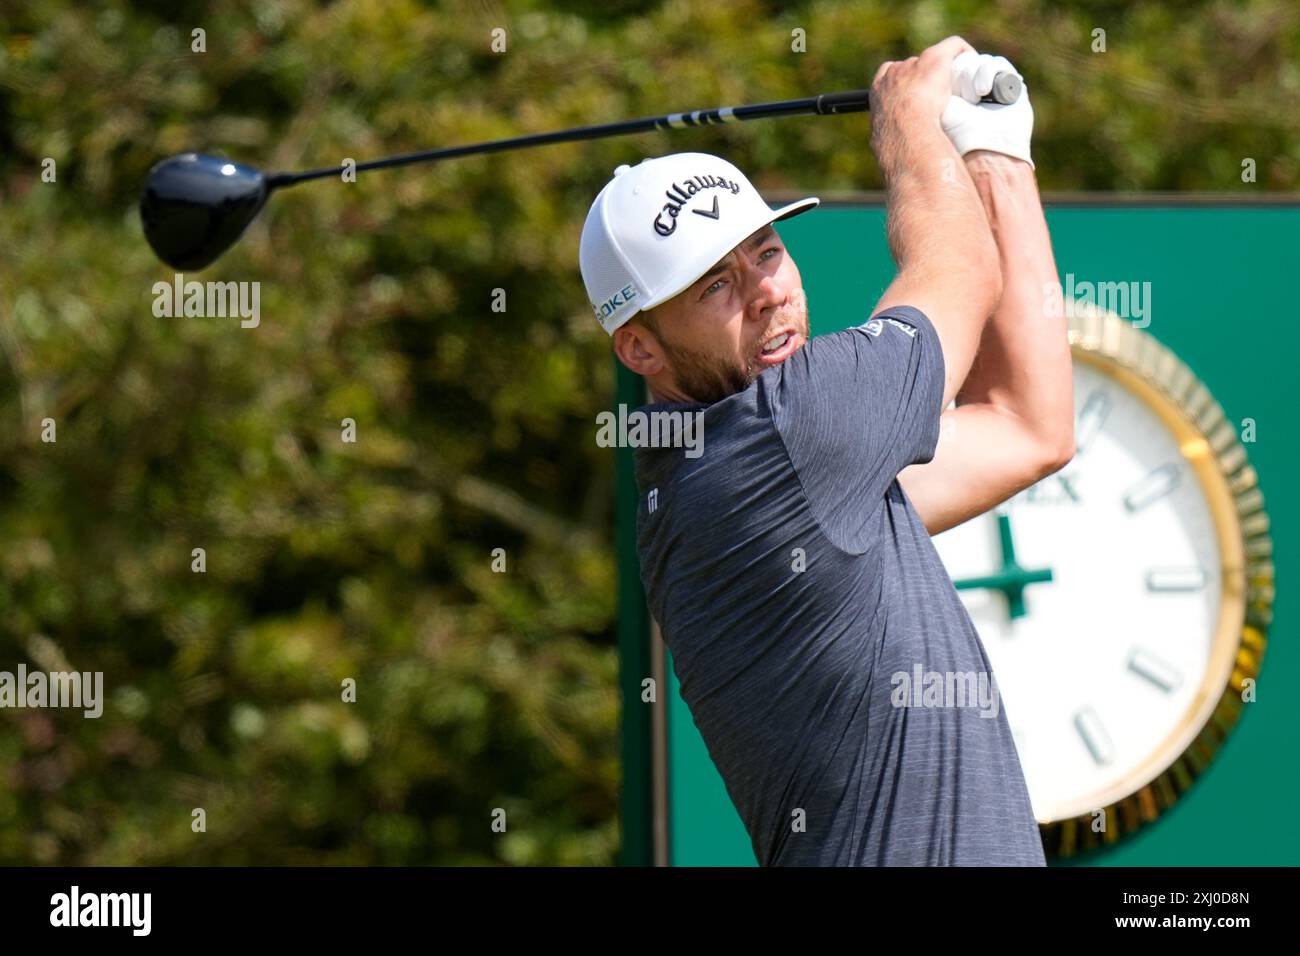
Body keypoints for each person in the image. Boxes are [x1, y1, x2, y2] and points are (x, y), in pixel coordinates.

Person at [579, 36, 1074, 866]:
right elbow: (955, 268)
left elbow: (1030, 427)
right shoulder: (783, 437)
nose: (767, 290)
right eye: (715, 286)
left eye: (766, 252)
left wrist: (997, 152)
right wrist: (908, 120)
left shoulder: (768, 483)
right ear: (640, 350)